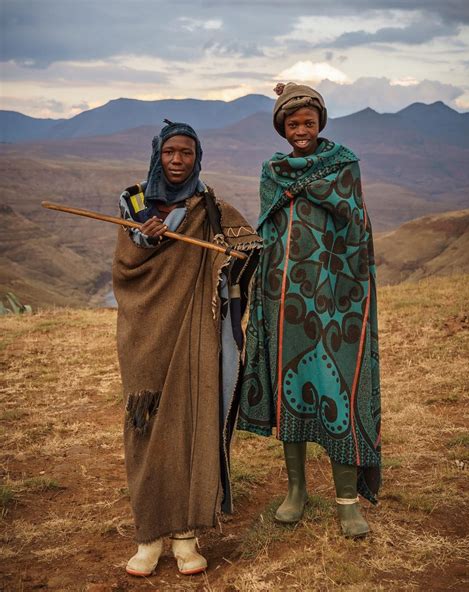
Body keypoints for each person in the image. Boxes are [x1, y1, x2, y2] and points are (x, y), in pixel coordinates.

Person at [113, 120, 261, 576]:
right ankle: (148, 536)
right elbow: (126, 266)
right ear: (158, 154)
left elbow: (251, 246)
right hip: (144, 332)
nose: (178, 161)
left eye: (187, 153)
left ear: (198, 158)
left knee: (191, 419)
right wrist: (146, 238)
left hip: (196, 329)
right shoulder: (133, 201)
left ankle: (186, 536)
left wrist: (232, 255)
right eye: (170, 152)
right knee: (146, 424)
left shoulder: (209, 206)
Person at [238, 83, 381, 537]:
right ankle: (296, 491)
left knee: (338, 388)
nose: (301, 130)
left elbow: (357, 224)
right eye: (293, 123)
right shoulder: (272, 171)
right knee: (292, 389)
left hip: (337, 297)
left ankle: (347, 501)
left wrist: (351, 285)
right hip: (284, 300)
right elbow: (270, 232)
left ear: (321, 123)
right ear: (282, 128)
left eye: (309, 122)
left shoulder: (344, 165)